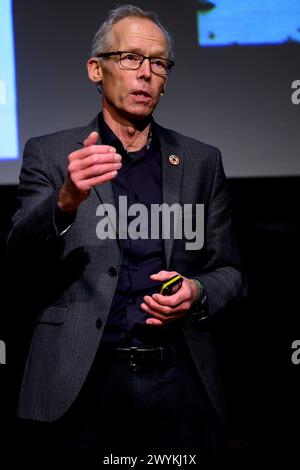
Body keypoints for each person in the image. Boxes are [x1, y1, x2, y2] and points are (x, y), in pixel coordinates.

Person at [8, 4, 247, 455]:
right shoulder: (51, 153)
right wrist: (65, 201)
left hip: (178, 378)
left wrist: (196, 291)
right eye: (130, 58)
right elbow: (18, 256)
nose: (145, 73)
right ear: (96, 70)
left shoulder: (201, 161)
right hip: (81, 377)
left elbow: (230, 271)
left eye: (158, 63)